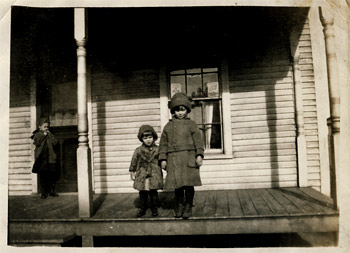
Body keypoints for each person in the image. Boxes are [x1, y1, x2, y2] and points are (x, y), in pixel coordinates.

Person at [159, 92, 204, 219]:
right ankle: (178, 205)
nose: (180, 113)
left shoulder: (192, 125)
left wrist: (199, 155)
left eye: (182, 109)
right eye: (177, 110)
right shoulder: (168, 126)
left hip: (189, 158)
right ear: (173, 111)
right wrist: (162, 158)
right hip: (174, 160)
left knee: (189, 184)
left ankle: (188, 206)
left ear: (187, 110)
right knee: (177, 185)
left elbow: (198, 141)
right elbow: (163, 144)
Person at [129, 125, 163, 217]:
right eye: (145, 138)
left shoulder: (158, 149)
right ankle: (142, 208)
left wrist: (164, 166)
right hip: (142, 174)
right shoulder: (138, 150)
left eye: (150, 137)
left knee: (153, 193)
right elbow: (134, 161)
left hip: (154, 173)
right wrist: (132, 171)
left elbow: (162, 160)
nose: (148, 140)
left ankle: (154, 208)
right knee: (143, 193)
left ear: (154, 138)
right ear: (141, 139)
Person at [31, 119, 59, 199]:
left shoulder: (50, 134)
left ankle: (52, 191)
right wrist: (44, 135)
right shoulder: (37, 134)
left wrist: (49, 135)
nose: (46, 128)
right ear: (40, 127)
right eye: (44, 127)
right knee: (43, 176)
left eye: (47, 127)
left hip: (50, 157)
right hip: (42, 158)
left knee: (52, 175)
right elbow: (37, 143)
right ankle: (44, 192)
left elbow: (55, 142)